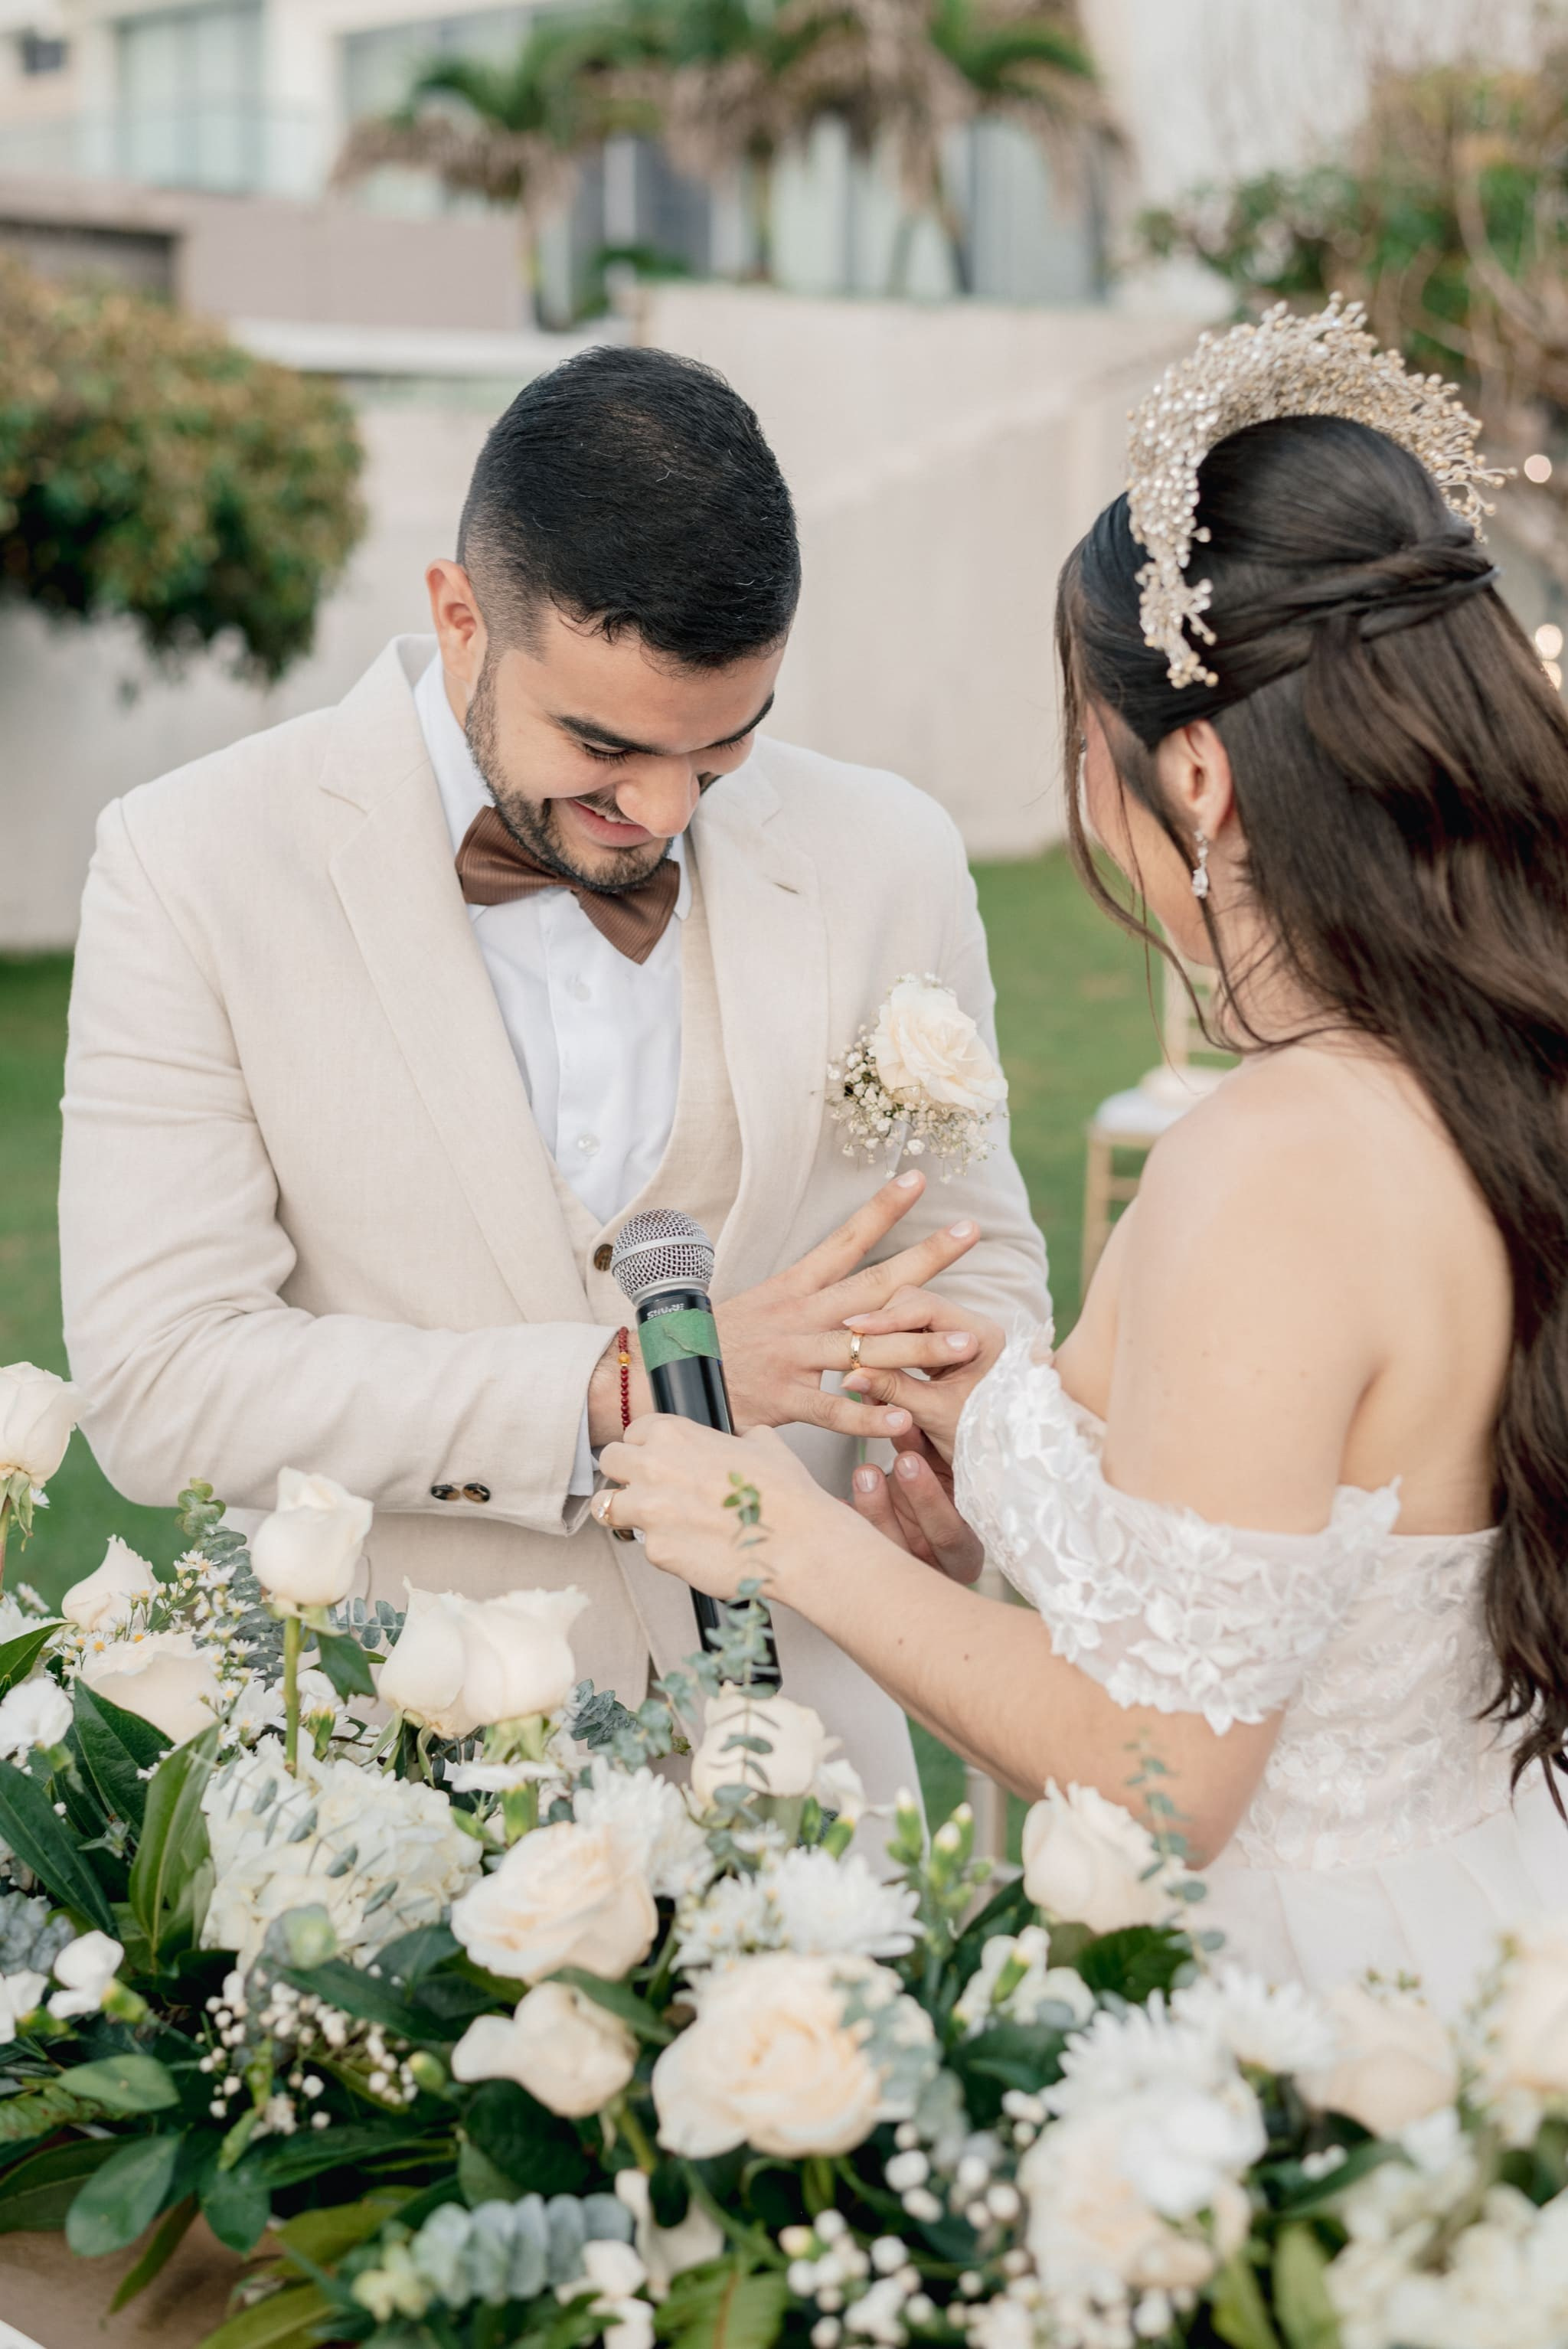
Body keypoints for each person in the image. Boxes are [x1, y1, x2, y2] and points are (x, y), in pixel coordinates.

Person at [593, 303, 1566, 2009]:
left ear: (1194, 772)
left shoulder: (1272, 1163)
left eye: (1088, 751)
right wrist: (1017, 1451)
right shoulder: (1487, 1079)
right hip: (1473, 1921)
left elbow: (1162, 1784)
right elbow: (1320, 1571)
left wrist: (781, 1538)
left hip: (1300, 1998)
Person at [58, 344, 1047, 1809]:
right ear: (461, 617)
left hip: (821, 1772)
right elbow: (161, 1382)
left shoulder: (886, 854)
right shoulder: (191, 865)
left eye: (720, 751)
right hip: (403, 1802)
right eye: (603, 745)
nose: (658, 810)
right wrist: (620, 1385)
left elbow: (981, 1263)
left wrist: (960, 1456)